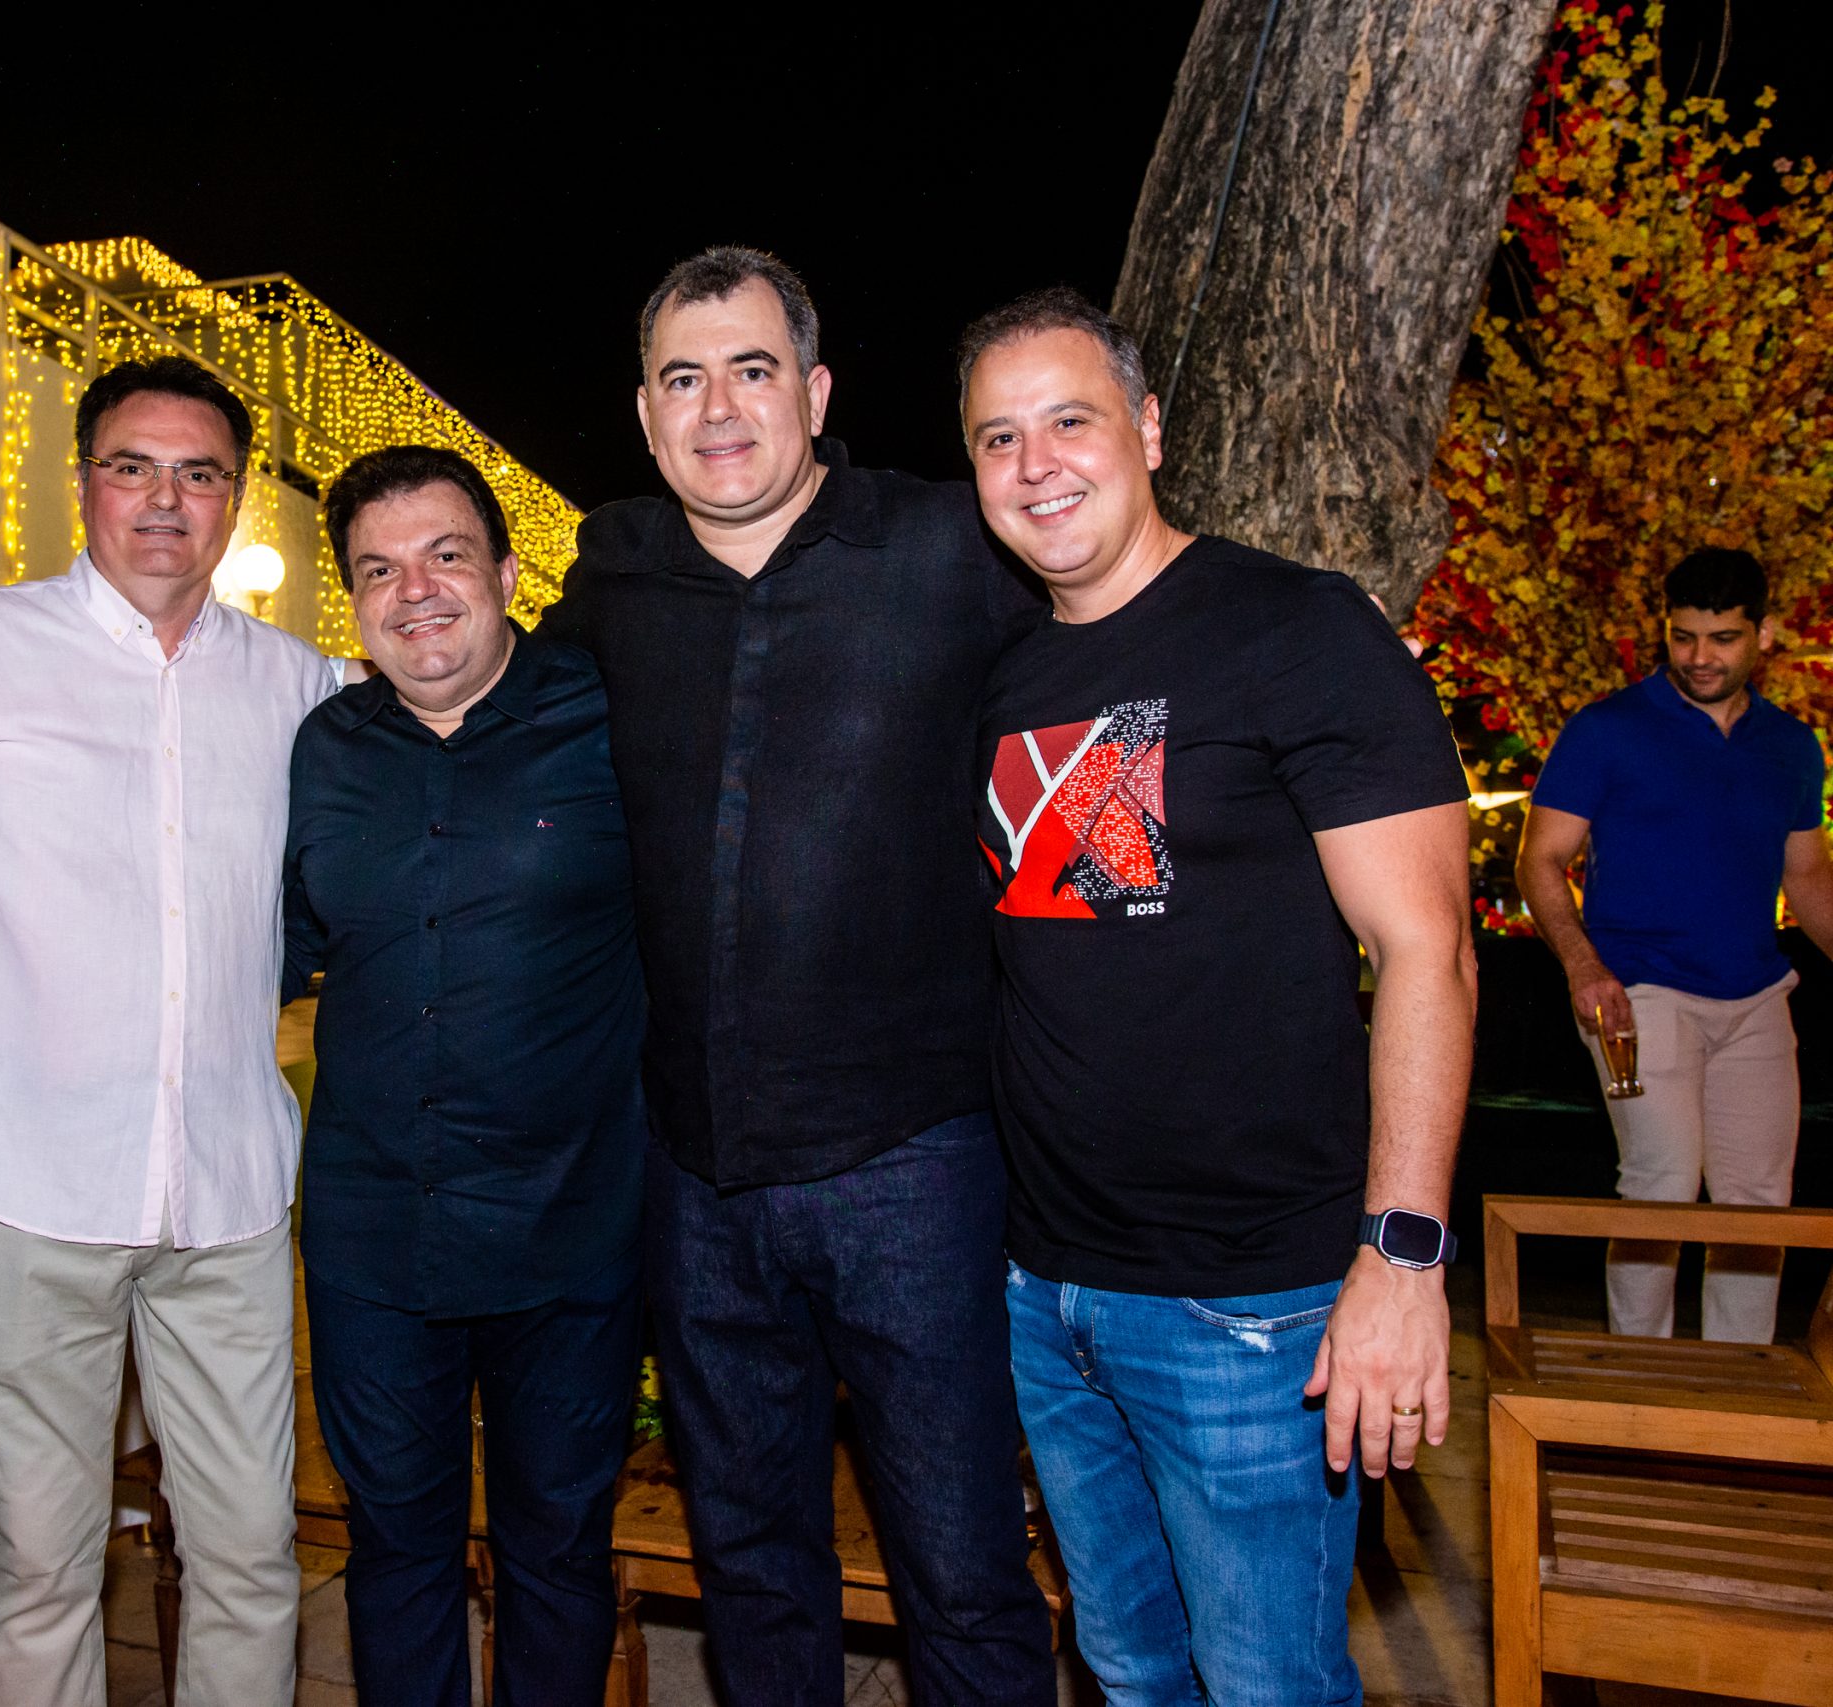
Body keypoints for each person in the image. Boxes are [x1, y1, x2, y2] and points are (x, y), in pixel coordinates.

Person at [536, 247, 1055, 1704]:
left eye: (752, 370)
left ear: (815, 394)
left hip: (914, 1166)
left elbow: (1116, 646)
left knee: (960, 1569)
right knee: (754, 1566)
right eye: (683, 378)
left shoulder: (954, 548)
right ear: (646, 416)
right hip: (694, 1176)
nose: (719, 408)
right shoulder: (613, 572)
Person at [957, 287, 1475, 1705]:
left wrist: (1403, 1259)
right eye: (998, 437)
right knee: (1129, 1669)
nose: (1036, 463)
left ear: (1149, 429)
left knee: (1268, 1687)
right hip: (1046, 1292)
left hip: (1252, 1306)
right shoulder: (1004, 676)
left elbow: (1429, 951)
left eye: (1070, 420)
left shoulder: (1297, 628)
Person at [0, 355, 334, 1707]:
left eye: (199, 473)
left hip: (229, 1194)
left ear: (236, 499)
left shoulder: (299, 682)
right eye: (132, 466)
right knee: (39, 1561)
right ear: (83, 480)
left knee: (251, 1551)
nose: (164, 500)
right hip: (25, 1185)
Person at [285, 446, 645, 1707]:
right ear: (352, 599)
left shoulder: (613, 719)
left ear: (503, 570)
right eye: (378, 570)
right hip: (376, 1238)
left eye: (445, 556)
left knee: (558, 1549)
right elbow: (273, 946)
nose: (416, 591)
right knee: (396, 1551)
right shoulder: (322, 750)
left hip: (569, 1234)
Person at [1516, 547, 1833, 1343]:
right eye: (1683, 636)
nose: (1699, 656)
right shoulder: (1606, 730)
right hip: (1637, 991)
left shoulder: (1792, 747)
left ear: (1763, 633)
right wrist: (1584, 967)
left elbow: (1808, 878)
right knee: (1661, 1182)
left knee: (1758, 1202)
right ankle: (1639, 1378)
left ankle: (1736, 1384)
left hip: (1757, 993)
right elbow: (1540, 860)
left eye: (1722, 638)